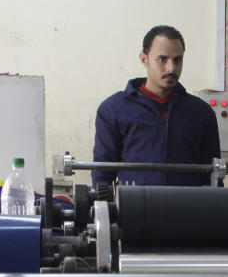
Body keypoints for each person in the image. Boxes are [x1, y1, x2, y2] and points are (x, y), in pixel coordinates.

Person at [93, 25, 220, 188]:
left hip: (188, 210)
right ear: (144, 59)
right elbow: (102, 174)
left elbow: (213, 176)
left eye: (177, 60)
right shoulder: (113, 110)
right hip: (133, 210)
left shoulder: (201, 113)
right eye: (162, 59)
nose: (171, 68)